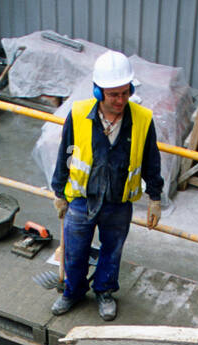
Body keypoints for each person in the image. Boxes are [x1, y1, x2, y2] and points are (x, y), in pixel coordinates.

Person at [50, 50, 165, 322]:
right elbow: (65, 153)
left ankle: (104, 291)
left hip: (118, 201)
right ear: (99, 92)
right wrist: (58, 191)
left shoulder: (142, 119)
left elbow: (151, 159)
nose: (121, 100)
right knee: (75, 252)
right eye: (114, 94)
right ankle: (73, 292)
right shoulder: (78, 115)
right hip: (81, 199)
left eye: (125, 93)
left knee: (111, 251)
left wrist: (155, 197)